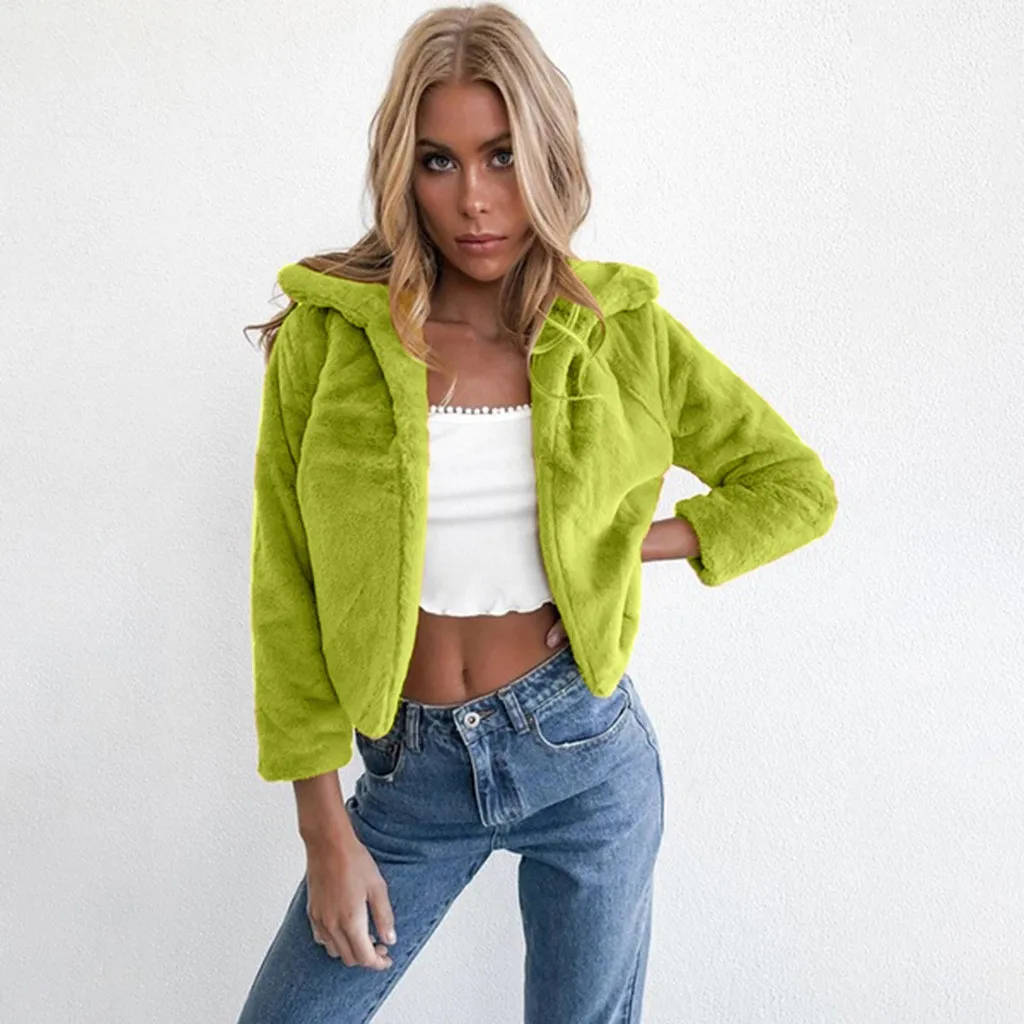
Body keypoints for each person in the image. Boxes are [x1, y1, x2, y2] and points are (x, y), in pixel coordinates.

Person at [236, 4, 837, 1022]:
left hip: (584, 754)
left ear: (550, 155)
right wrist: (322, 826)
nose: (474, 199)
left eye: (503, 156)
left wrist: (625, 544)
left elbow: (793, 486)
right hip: (412, 775)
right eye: (439, 161)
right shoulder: (332, 342)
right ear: (403, 170)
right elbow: (284, 579)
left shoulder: (622, 335)